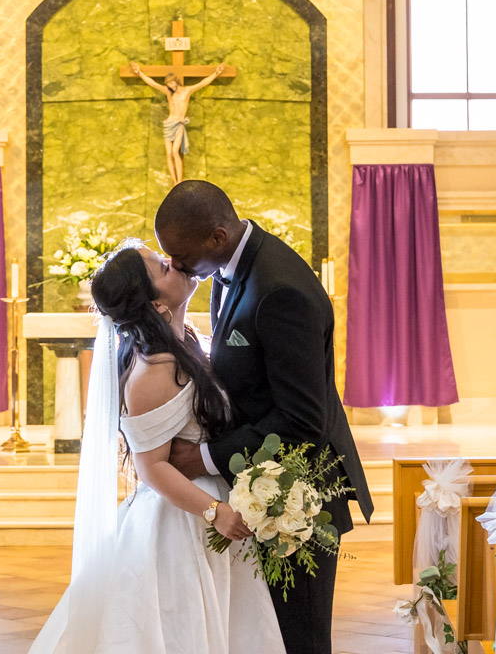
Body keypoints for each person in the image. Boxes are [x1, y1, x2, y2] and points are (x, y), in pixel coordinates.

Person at [28, 241, 286, 654]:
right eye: (161, 267)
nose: (175, 263)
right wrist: (215, 511)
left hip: (206, 505)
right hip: (181, 523)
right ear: (153, 303)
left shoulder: (184, 340)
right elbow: (151, 468)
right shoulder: (153, 370)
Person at [155, 180, 375, 654]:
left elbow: (303, 419)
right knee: (265, 633)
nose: (176, 267)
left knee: (299, 637)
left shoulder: (279, 291)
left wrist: (205, 458)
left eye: (181, 256)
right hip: (261, 477)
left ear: (216, 237)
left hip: (300, 492)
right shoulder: (231, 266)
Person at [130, 62, 226, 184]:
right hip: (169, 123)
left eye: (172, 83)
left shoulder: (187, 91)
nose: (171, 85)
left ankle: (179, 181)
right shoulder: (169, 92)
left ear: (176, 81)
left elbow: (202, 83)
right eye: (169, 84)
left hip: (179, 123)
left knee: (175, 151)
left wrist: (216, 73)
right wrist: (139, 73)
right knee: (169, 153)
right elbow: (153, 83)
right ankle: (174, 181)